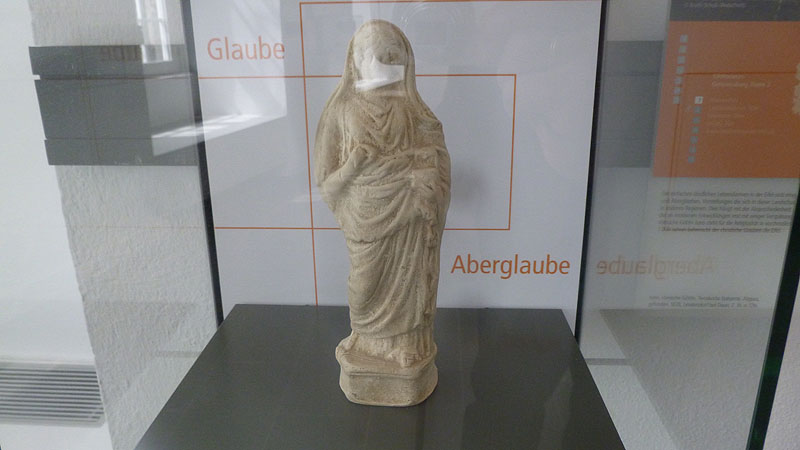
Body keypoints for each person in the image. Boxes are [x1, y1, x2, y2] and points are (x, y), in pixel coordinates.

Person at [314, 20, 450, 369]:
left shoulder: (413, 110)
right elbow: (326, 184)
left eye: (394, 57)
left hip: (409, 211)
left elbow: (436, 159)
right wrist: (353, 166)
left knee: (408, 279)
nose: (386, 65)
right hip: (364, 216)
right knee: (363, 287)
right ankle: (364, 338)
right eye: (376, 56)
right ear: (355, 61)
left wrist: (424, 177)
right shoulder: (340, 110)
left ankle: (404, 343)